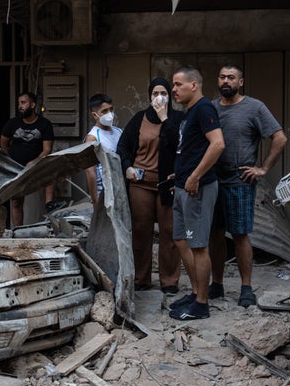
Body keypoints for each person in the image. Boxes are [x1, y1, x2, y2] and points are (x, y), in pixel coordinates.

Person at [208, 65, 287, 308]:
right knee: (215, 234)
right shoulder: (210, 107)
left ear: (241, 82)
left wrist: (262, 169)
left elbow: (280, 137)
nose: (226, 81)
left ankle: (246, 288)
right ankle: (217, 284)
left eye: (231, 77)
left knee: (241, 234)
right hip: (212, 179)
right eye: (222, 77)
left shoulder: (254, 107)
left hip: (239, 180)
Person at [116, 78, 184, 294]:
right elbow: (123, 147)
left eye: (163, 93)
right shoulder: (139, 119)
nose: (159, 97)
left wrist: (165, 118)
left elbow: (177, 142)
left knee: (169, 232)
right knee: (140, 231)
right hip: (141, 184)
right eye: (155, 93)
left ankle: (170, 281)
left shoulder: (177, 118)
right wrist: (127, 166)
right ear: (149, 96)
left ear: (170, 96)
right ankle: (141, 278)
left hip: (168, 184)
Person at [167, 66, 225, 321]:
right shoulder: (189, 113)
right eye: (173, 85)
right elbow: (191, 149)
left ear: (194, 85)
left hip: (197, 188)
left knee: (199, 246)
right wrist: (180, 175)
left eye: (178, 84)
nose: (174, 89)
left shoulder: (204, 109)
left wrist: (194, 176)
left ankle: (202, 304)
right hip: (182, 186)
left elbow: (218, 144)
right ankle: (195, 292)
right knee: (181, 240)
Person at [0, 91, 58, 228]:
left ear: (32, 105)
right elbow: (3, 144)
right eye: (19, 103)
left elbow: (47, 150)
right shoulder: (12, 123)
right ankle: (18, 231)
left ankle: (49, 205)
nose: (20, 106)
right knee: (16, 202)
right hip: (16, 168)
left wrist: (35, 161)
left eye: (23, 103)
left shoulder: (44, 124)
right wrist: (11, 159)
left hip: (37, 166)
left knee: (52, 170)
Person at [85, 93, 123, 206]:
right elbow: (90, 171)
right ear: (95, 115)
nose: (109, 114)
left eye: (111, 109)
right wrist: (94, 199)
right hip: (104, 193)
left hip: (121, 190)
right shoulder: (93, 137)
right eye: (104, 111)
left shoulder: (119, 132)